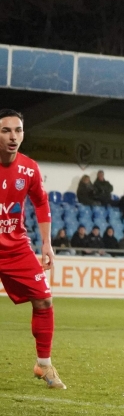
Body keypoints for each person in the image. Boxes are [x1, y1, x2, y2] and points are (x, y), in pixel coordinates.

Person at [0, 109, 64, 388]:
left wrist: (46, 243)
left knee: (44, 301)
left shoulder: (29, 168)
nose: (13, 137)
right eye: (6, 130)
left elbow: (41, 202)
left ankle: (44, 365)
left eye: (18, 130)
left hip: (16, 248)